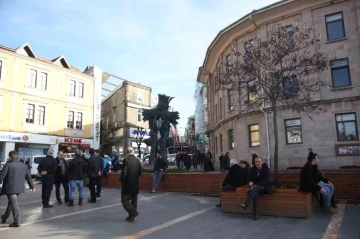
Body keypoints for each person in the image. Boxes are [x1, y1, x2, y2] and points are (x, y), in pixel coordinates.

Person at [0, 150, 35, 227]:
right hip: (19, 188)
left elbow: (1, 176)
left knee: (14, 204)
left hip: (10, 188)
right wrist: (32, 186)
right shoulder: (24, 165)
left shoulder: (8, 165)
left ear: (10, 157)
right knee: (11, 202)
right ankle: (5, 217)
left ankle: (17, 221)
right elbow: (28, 176)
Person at [120, 147, 142, 222]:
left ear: (127, 152)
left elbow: (124, 173)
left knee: (124, 200)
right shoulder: (137, 161)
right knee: (134, 200)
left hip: (127, 184)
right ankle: (131, 216)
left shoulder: (126, 160)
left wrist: (122, 179)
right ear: (133, 152)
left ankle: (133, 212)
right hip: (135, 183)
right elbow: (139, 173)